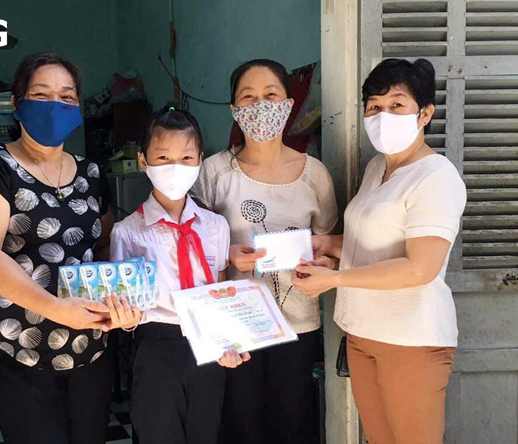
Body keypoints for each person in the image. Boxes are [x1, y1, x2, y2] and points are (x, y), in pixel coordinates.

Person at [0, 52, 140, 444]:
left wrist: (121, 300)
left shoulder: (91, 173)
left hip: (91, 349)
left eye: (66, 97)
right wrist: (57, 309)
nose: (55, 106)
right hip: (22, 351)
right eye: (41, 94)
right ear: (17, 103)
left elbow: (102, 244)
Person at [292, 58, 467, 444]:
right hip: (362, 332)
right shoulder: (376, 169)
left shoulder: (436, 177)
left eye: (397, 105)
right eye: (374, 106)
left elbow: (419, 268)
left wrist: (335, 278)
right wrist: (328, 245)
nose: (382, 115)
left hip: (410, 340)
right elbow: (371, 244)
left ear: (425, 114)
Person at [191, 59, 338, 444]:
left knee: (291, 423)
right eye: (248, 97)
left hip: (298, 324)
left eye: (271, 95)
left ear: (288, 104)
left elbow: (331, 245)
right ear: (235, 110)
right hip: (235, 326)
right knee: (241, 425)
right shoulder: (214, 172)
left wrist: (321, 263)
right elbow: (191, 246)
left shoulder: (315, 174)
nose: (260, 106)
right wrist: (226, 257)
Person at [110, 106, 247, 444]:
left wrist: (229, 342)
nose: (175, 167)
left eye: (186, 158)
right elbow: (121, 303)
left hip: (207, 343)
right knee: (159, 433)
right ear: (144, 161)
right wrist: (125, 319)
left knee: (205, 431)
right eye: (163, 157)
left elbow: (220, 288)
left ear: (200, 159)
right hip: (155, 344)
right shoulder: (127, 232)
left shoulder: (215, 226)